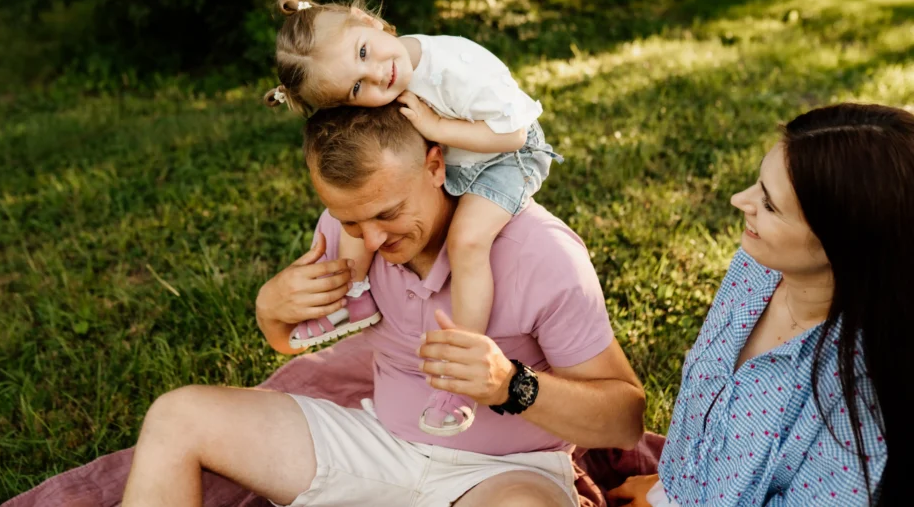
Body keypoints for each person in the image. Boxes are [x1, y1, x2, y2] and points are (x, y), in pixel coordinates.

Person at [122, 103, 645, 507]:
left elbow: (624, 421)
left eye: (387, 213)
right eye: (349, 220)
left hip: (504, 472)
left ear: (435, 166)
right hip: (378, 445)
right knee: (178, 416)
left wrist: (512, 384)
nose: (369, 239)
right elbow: (291, 340)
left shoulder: (540, 253)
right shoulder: (347, 235)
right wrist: (271, 310)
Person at [263, 0, 560, 435]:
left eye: (365, 53)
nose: (377, 74)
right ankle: (355, 298)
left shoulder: (456, 66)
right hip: (452, 151)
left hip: (504, 155)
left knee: (467, 242)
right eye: (357, 88)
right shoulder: (378, 75)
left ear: (371, 21)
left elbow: (515, 133)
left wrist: (438, 126)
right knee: (360, 217)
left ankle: (465, 364)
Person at [609, 103, 909, 506]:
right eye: (757, 184)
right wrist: (669, 487)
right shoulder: (757, 267)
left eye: (769, 205)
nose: (739, 200)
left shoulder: (859, 391)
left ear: (842, 244)